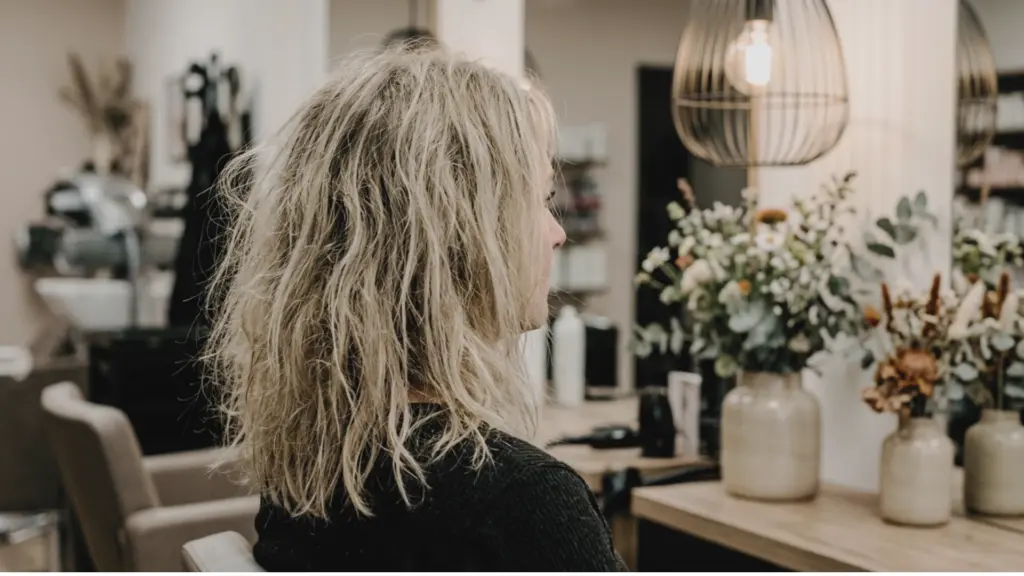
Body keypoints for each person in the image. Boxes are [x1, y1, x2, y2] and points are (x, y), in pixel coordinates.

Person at [205, 46, 626, 571]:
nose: (558, 233)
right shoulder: (520, 504)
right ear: (463, 233)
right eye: (540, 201)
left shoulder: (311, 468)